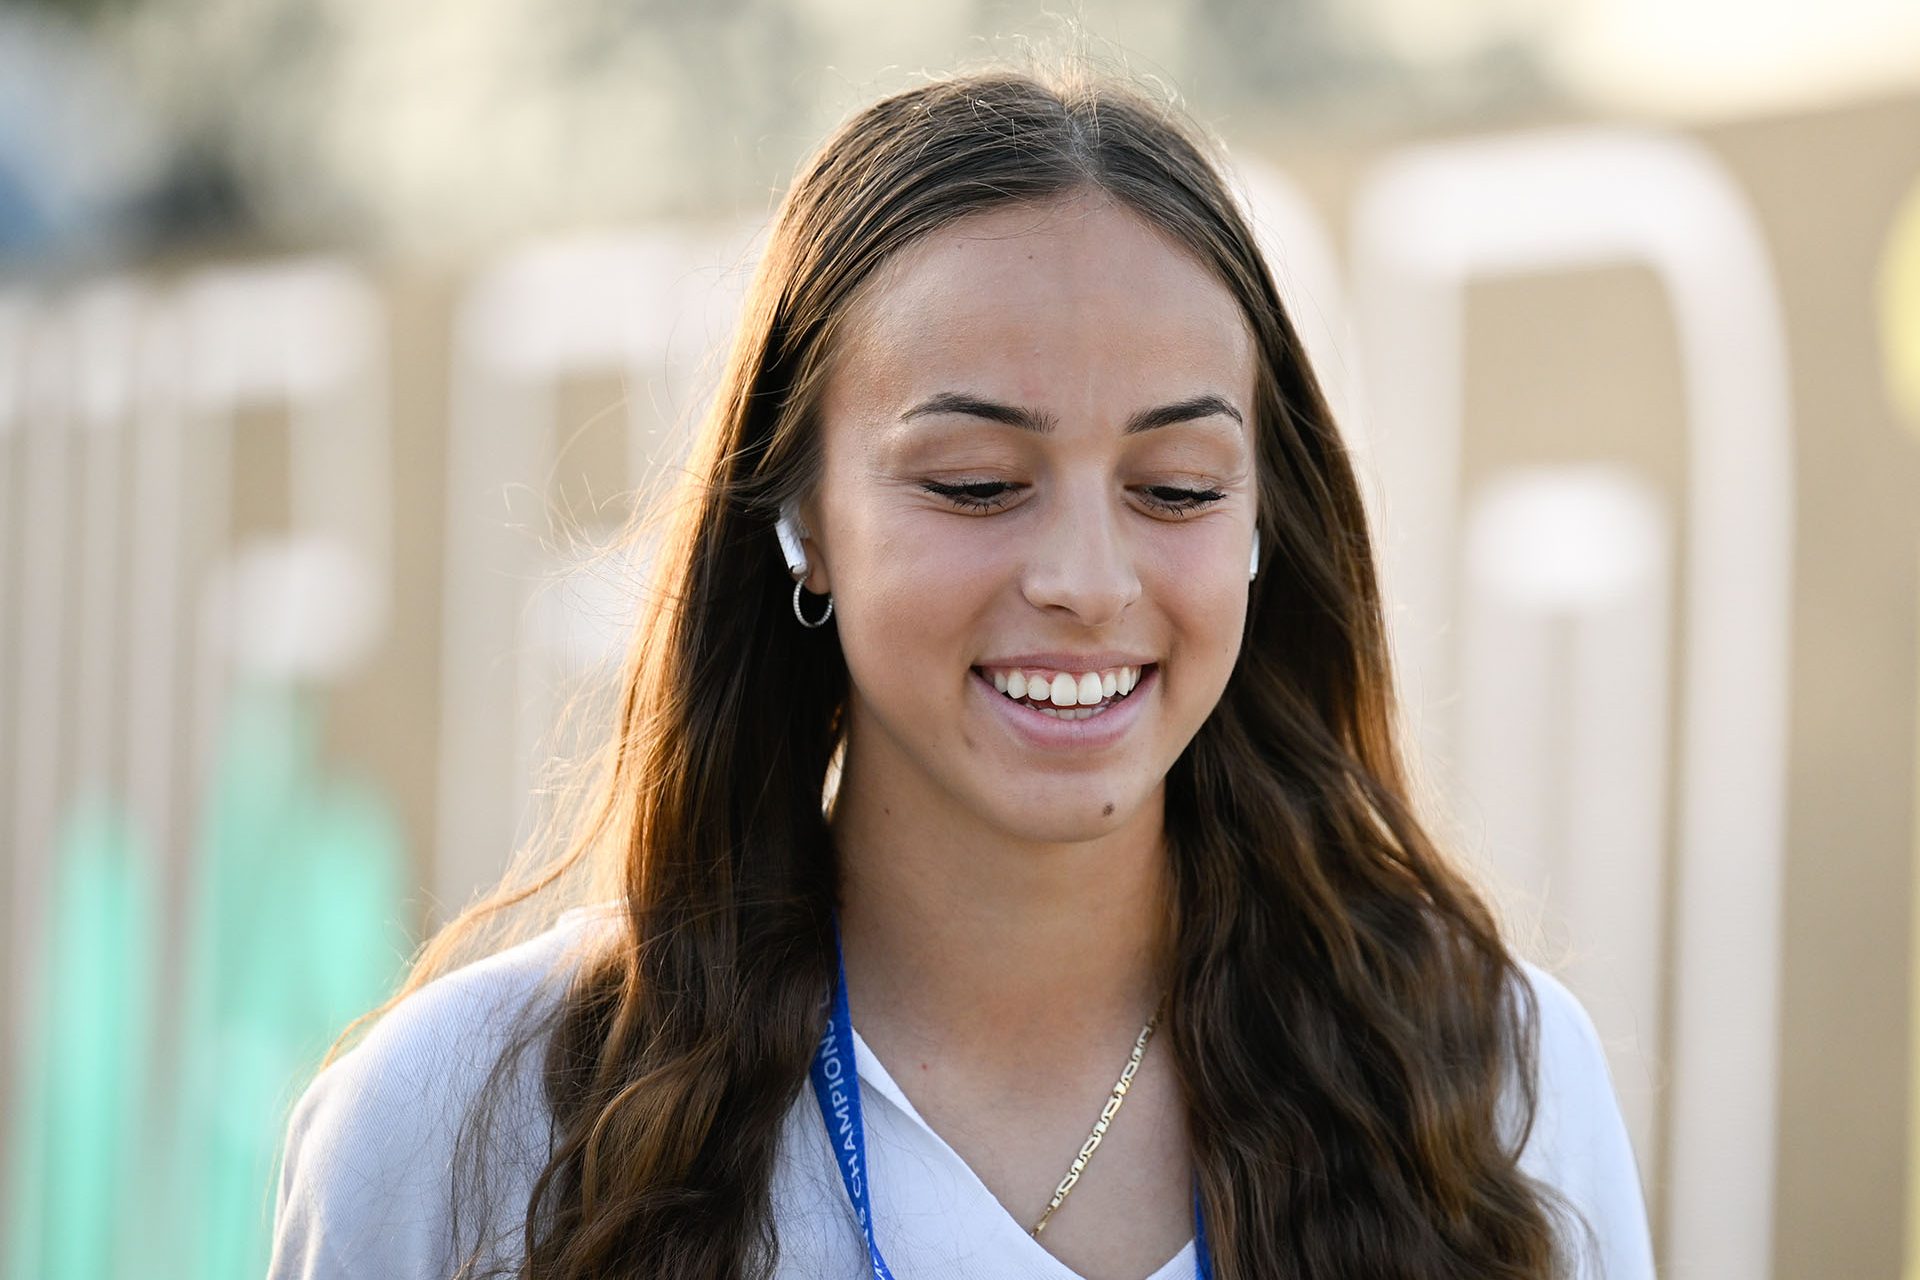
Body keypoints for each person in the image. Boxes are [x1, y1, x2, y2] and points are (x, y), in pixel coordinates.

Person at [267, 64, 1657, 1280]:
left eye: (1175, 488)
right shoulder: (463, 1130)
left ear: (1262, 529)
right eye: (979, 483)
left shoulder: (1491, 1091)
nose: (1087, 578)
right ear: (802, 518)